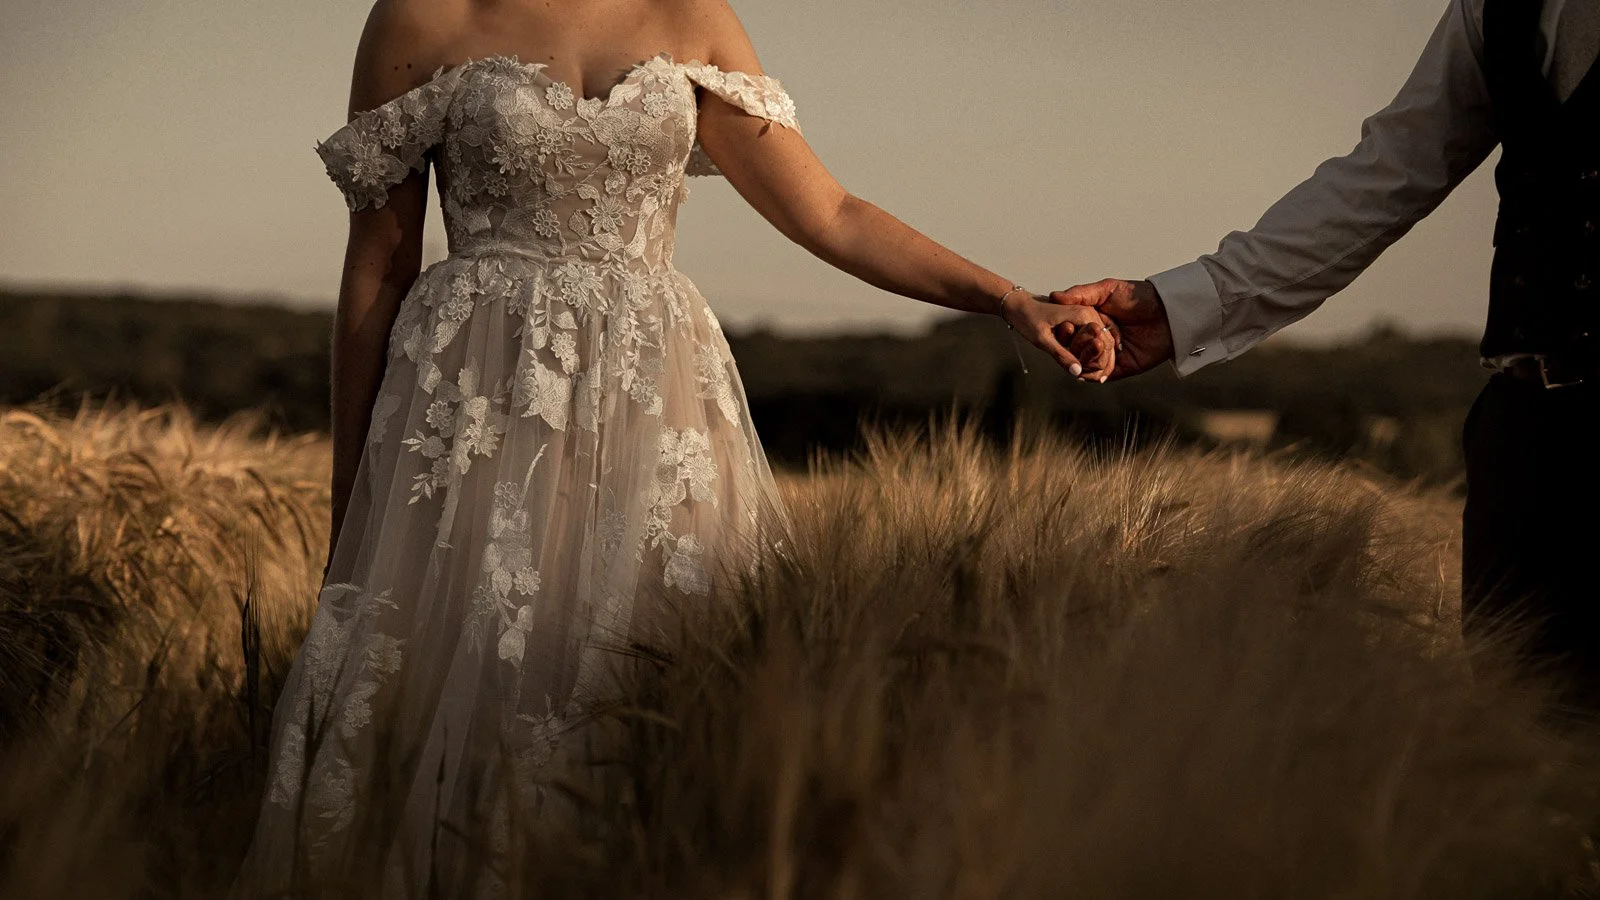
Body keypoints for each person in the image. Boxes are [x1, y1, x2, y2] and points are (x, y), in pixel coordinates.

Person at [236, 0, 1117, 891]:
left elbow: (832, 214)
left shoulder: (693, 15)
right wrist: (353, 494)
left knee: (655, 672)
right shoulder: (421, 16)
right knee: (465, 692)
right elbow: (380, 265)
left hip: (655, 402)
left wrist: (1009, 298)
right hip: (475, 404)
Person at [1054, 0, 1600, 716]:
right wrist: (1181, 303)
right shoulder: (1501, 6)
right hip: (1531, 444)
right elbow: (1388, 172)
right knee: (1535, 768)